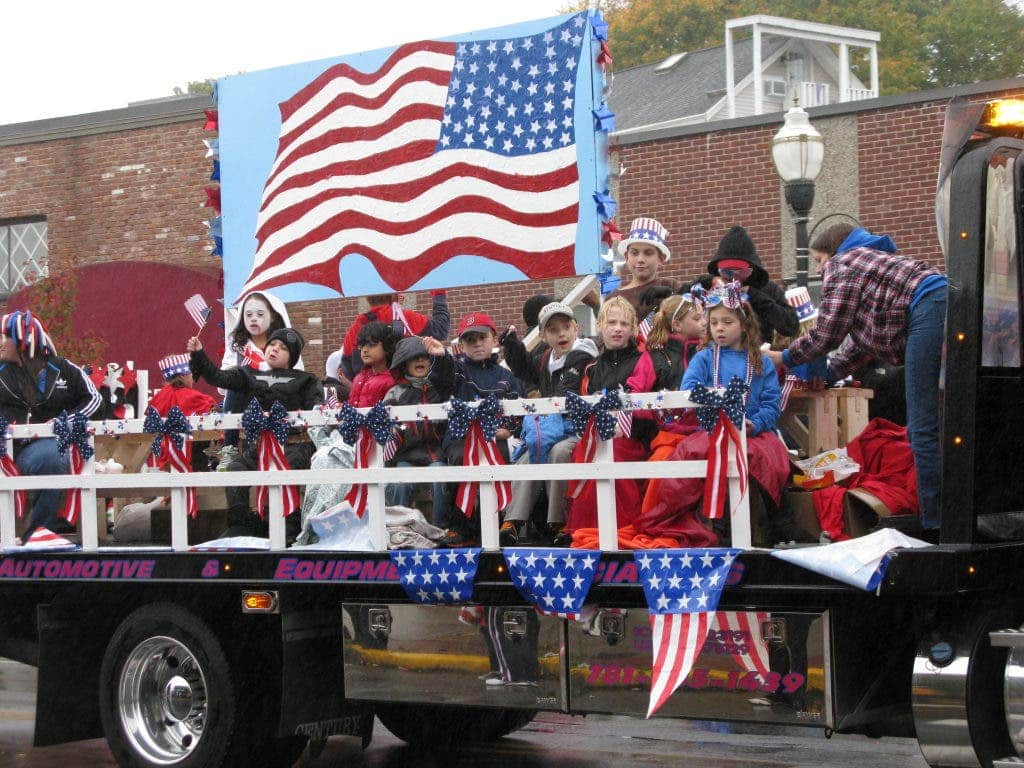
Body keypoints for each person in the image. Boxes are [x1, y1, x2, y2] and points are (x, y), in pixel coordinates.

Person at [768, 223, 947, 533]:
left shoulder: (845, 262)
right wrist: (822, 376)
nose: (821, 272)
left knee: (923, 427)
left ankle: (935, 525)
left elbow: (827, 333)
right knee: (943, 422)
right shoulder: (873, 276)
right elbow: (852, 352)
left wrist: (784, 358)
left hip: (929, 309)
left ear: (832, 253)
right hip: (941, 306)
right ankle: (944, 512)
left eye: (819, 261)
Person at [648, 283, 791, 547]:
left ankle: (756, 530)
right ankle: (711, 527)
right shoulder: (703, 358)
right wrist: (714, 406)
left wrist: (754, 423)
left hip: (754, 433)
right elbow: (689, 391)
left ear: (745, 325)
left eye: (727, 322)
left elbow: (772, 404)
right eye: (714, 322)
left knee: (758, 459)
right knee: (697, 455)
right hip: (712, 431)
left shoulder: (762, 362)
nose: (719, 328)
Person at [188, 327, 323, 538]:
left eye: (283, 348)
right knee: (235, 469)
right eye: (272, 344)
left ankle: (289, 526)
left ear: (293, 355)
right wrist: (199, 352)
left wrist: (317, 409)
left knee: (287, 470)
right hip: (259, 444)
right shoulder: (247, 373)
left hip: (294, 443)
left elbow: (316, 407)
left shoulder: (307, 380)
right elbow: (218, 377)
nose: (275, 349)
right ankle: (239, 524)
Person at [499, 301, 599, 545]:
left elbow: (565, 394)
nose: (561, 333)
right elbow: (526, 371)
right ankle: (513, 521)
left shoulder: (583, 356)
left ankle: (559, 521)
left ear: (576, 328)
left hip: (579, 429)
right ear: (543, 335)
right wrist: (512, 346)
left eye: (566, 326)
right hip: (551, 428)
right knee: (526, 457)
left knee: (559, 451)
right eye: (553, 329)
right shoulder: (546, 358)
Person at [0, 311, 101, 538]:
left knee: (53, 457)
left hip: (41, 449)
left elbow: (94, 399)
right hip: (4, 450)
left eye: (5, 337)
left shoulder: (62, 368)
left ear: (25, 340)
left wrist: (65, 421)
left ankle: (39, 534)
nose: (1, 343)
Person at [565, 296, 657, 543]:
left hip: (633, 438)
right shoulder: (592, 368)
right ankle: (586, 530)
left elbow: (646, 411)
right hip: (597, 439)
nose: (617, 329)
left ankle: (622, 527)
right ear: (600, 325)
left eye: (624, 324)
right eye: (612, 322)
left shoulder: (643, 360)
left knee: (614, 451)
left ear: (633, 329)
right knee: (582, 452)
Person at [442, 311, 525, 546]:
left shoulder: (507, 377)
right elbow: (442, 379)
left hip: (497, 438)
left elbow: (520, 409)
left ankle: (501, 521)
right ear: (462, 344)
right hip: (461, 438)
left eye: (482, 337)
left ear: (494, 339)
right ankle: (460, 525)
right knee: (458, 457)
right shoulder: (457, 372)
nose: (477, 343)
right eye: (470, 339)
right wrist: (439, 358)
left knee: (507, 455)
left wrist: (508, 429)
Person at [219, 291, 299, 469]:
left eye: (260, 314)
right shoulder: (238, 347)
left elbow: (297, 377)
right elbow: (222, 385)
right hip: (244, 401)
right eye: (249, 314)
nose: (254, 319)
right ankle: (230, 447)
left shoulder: (284, 345)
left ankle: (254, 456)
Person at [382, 336, 453, 528]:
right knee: (399, 482)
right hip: (407, 455)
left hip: (436, 454)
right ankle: (398, 528)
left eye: (425, 357)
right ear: (404, 365)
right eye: (414, 358)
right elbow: (385, 425)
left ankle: (440, 527)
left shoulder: (441, 389)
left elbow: (449, 372)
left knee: (440, 477)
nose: (420, 361)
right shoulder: (396, 393)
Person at [708, 225, 799, 344]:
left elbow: (790, 326)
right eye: (727, 272)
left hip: (756, 356)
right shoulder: (710, 285)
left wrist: (753, 294)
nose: (735, 278)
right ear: (718, 270)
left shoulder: (768, 289)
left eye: (742, 272)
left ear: (753, 269)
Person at [339, 290, 450, 381]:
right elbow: (440, 329)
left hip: (370, 399)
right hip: (406, 394)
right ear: (393, 294)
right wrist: (438, 294)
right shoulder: (404, 318)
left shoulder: (356, 327)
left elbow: (348, 371)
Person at [608, 217, 681, 322]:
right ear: (626, 256)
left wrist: (672, 296)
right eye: (634, 253)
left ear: (661, 258)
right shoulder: (614, 297)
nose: (640, 259)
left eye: (648, 253)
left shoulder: (671, 286)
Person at [645, 290, 707, 391]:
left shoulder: (706, 353)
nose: (704, 322)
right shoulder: (655, 359)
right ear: (677, 325)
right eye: (697, 319)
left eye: (704, 316)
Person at [348, 322, 399, 408]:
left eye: (371, 345)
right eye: (362, 346)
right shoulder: (359, 377)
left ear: (387, 346)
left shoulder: (393, 380)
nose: (364, 350)